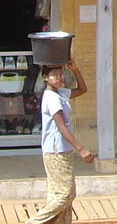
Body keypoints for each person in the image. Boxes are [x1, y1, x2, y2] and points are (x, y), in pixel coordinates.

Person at [27, 59, 93, 224]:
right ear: (45, 78)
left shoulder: (61, 93)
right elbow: (62, 128)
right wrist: (81, 149)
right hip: (56, 150)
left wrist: (75, 70)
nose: (59, 78)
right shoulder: (51, 98)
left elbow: (83, 90)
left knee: (58, 194)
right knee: (66, 193)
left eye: (60, 74)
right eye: (54, 75)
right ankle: (35, 221)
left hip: (62, 150)